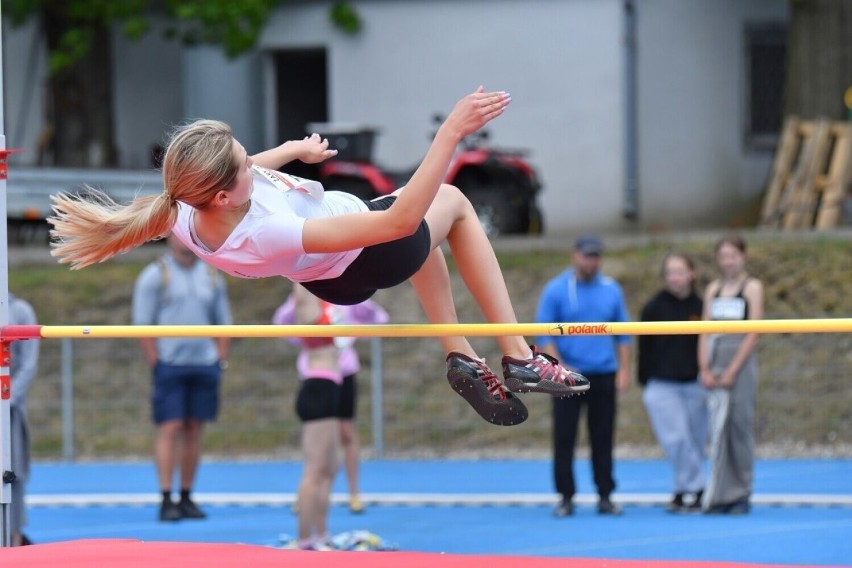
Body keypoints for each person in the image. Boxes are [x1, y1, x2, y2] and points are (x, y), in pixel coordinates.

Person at [48, 87, 590, 428]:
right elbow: (394, 225)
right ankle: (519, 354)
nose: (250, 164)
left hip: (335, 277)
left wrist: (292, 153)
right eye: (241, 167)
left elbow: (248, 168)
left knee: (429, 248)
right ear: (220, 194)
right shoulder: (268, 233)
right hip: (366, 253)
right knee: (451, 206)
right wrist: (449, 134)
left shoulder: (185, 210)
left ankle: (460, 355)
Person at [132, 233, 233, 522]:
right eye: (178, 239)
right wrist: (156, 362)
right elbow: (142, 324)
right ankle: (166, 498)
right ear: (169, 241)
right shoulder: (155, 275)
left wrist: (220, 360)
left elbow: (224, 321)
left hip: (204, 363)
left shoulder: (212, 275)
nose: (183, 244)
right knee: (170, 427)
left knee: (194, 429)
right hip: (171, 364)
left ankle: (187, 495)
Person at [535, 234, 631, 517]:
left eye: (596, 256)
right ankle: (565, 496)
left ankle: (605, 494)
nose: (591, 261)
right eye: (587, 255)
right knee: (564, 436)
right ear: (575, 256)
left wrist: (623, 370)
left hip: (603, 374)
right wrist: (561, 367)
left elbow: (623, 335)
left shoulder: (612, 290)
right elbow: (544, 333)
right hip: (567, 376)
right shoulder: (555, 290)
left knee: (603, 436)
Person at [272, 285, 389, 516]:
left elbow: (379, 316)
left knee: (345, 435)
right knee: (319, 448)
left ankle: (353, 493)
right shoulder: (304, 297)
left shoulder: (346, 294)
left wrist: (356, 332)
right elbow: (281, 322)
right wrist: (308, 340)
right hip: (318, 376)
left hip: (343, 372)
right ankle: (307, 498)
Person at [698, 234, 763, 515]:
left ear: (743, 256)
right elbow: (703, 330)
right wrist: (704, 367)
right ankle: (721, 493)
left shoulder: (752, 287)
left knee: (738, 429)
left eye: (732, 255)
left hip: (740, 366)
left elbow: (754, 331)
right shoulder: (713, 289)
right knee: (717, 431)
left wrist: (733, 370)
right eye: (723, 256)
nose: (728, 261)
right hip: (715, 362)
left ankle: (741, 492)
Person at [638, 252, 707, 513]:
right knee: (676, 439)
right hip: (662, 384)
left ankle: (682, 491)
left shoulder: (702, 307)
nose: (675, 278)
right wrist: (645, 379)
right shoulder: (654, 307)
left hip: (695, 383)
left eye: (680, 271)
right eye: (670, 272)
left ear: (692, 274)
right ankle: (699, 488)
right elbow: (644, 347)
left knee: (695, 441)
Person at [8, 293, 40, 546]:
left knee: (13, 474)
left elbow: (28, 364)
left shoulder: (20, 310)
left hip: (9, 411)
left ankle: (15, 538)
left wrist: (7, 399)